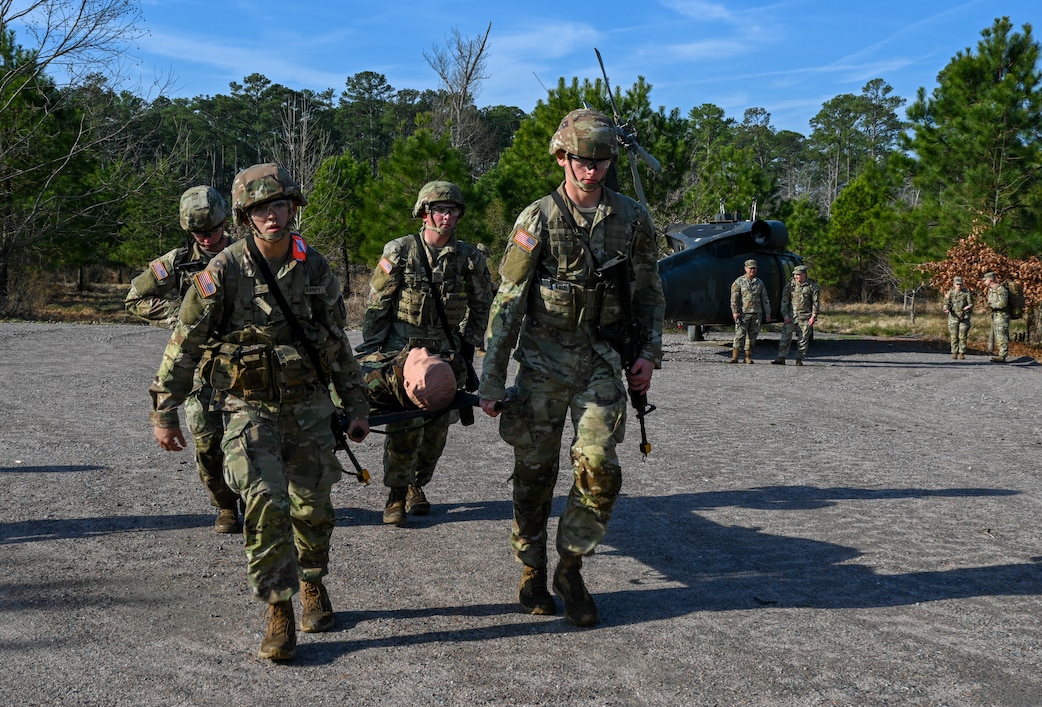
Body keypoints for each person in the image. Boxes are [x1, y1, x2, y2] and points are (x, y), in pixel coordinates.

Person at [148, 163, 371, 662]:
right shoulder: (222, 270)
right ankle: (279, 606)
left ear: (294, 207)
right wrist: (165, 411)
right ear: (246, 215)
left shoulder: (314, 266)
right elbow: (185, 344)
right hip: (248, 406)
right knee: (266, 501)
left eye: (281, 205)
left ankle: (312, 581)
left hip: (309, 406)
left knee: (314, 508)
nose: (273, 215)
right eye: (261, 208)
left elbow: (335, 341)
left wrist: (355, 403)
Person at [478, 108, 665, 627]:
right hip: (541, 364)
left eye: (602, 160)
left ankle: (571, 566)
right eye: (584, 159)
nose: (593, 169)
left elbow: (650, 291)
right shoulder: (536, 219)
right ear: (562, 157)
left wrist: (648, 353)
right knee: (534, 475)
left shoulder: (631, 218)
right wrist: (492, 379)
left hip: (601, 362)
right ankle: (531, 569)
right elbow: (507, 301)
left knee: (600, 469)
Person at [357, 181, 493, 527]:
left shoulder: (469, 259)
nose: (447, 217)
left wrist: (467, 345)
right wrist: (376, 355)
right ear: (424, 213)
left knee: (435, 431)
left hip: (445, 355)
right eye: (440, 210)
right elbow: (377, 305)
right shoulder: (401, 252)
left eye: (452, 211)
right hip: (401, 354)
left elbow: (482, 305)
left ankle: (418, 483)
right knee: (407, 425)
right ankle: (396, 494)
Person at [126, 186, 242, 534]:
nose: (207, 238)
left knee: (252, 439)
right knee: (207, 443)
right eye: (199, 233)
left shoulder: (245, 255)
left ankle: (257, 500)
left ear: (226, 222)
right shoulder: (178, 262)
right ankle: (224, 504)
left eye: (214, 230)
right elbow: (135, 298)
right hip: (197, 365)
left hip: (244, 362)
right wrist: (179, 315)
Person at [772, 264, 820, 366]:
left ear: (804, 274)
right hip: (791, 316)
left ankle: (799, 360)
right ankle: (781, 358)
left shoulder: (812, 286)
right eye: (795, 275)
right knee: (785, 338)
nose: (796, 277)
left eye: (798, 275)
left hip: (805, 316)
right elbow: (784, 301)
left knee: (803, 339)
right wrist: (785, 315)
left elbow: (815, 303)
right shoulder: (790, 285)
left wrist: (813, 317)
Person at [729, 258, 771, 363]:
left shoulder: (759, 282)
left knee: (752, 337)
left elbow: (765, 298)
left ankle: (747, 356)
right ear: (745, 269)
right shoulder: (739, 282)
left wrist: (768, 312)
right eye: (750, 268)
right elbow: (734, 298)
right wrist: (735, 311)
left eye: (754, 268)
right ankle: (735, 356)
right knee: (739, 335)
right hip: (743, 313)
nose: (752, 270)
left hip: (756, 313)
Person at [943, 275, 973, 359]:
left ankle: (962, 352)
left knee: (962, 336)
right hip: (953, 317)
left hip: (964, 317)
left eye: (960, 284)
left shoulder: (966, 293)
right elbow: (946, 303)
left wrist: (968, 307)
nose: (959, 286)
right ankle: (954, 352)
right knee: (953, 336)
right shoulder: (950, 293)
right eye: (957, 284)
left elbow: (970, 303)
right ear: (953, 284)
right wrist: (946, 309)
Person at [982, 271, 1010, 362]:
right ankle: (1001, 355)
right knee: (998, 335)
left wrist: (991, 305)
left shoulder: (1001, 289)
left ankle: (1003, 356)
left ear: (990, 280)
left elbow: (1003, 303)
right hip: (995, 315)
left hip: (1002, 316)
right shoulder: (991, 290)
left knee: (1002, 335)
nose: (984, 282)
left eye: (985, 280)